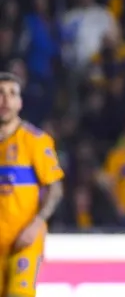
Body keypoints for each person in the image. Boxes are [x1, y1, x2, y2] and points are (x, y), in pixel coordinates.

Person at [0, 73, 64, 297]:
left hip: (23, 240)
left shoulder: (35, 140)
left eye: (12, 94)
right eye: (0, 93)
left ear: (20, 102)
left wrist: (36, 224)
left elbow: (55, 188)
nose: (5, 100)